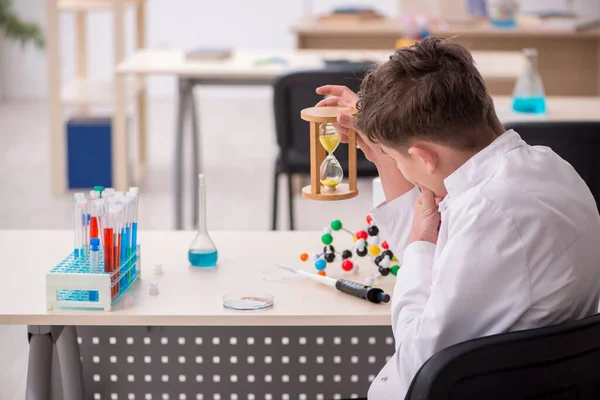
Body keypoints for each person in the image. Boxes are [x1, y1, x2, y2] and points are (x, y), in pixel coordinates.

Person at [316, 37, 600, 399]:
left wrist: (419, 247)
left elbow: (418, 359)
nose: (401, 168)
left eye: (399, 158)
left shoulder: (488, 209)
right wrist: (386, 142)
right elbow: (438, 246)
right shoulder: (551, 166)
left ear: (426, 158)